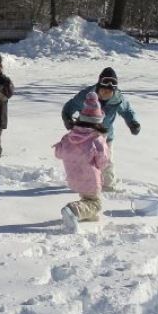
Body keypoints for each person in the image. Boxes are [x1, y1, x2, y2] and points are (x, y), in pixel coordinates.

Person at [61, 67, 140, 191]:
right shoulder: (86, 96)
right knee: (83, 161)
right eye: (103, 91)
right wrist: (67, 119)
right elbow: (69, 106)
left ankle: (108, 186)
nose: (105, 95)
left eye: (109, 92)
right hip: (84, 136)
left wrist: (133, 122)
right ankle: (81, 182)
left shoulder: (118, 99)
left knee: (107, 161)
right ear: (98, 87)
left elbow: (127, 111)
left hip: (105, 136)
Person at [54, 91, 110, 232]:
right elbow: (103, 162)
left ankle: (80, 215)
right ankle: (72, 210)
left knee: (90, 205)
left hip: (74, 178)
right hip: (91, 180)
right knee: (96, 204)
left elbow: (58, 153)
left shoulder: (69, 137)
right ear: (98, 122)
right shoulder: (97, 140)